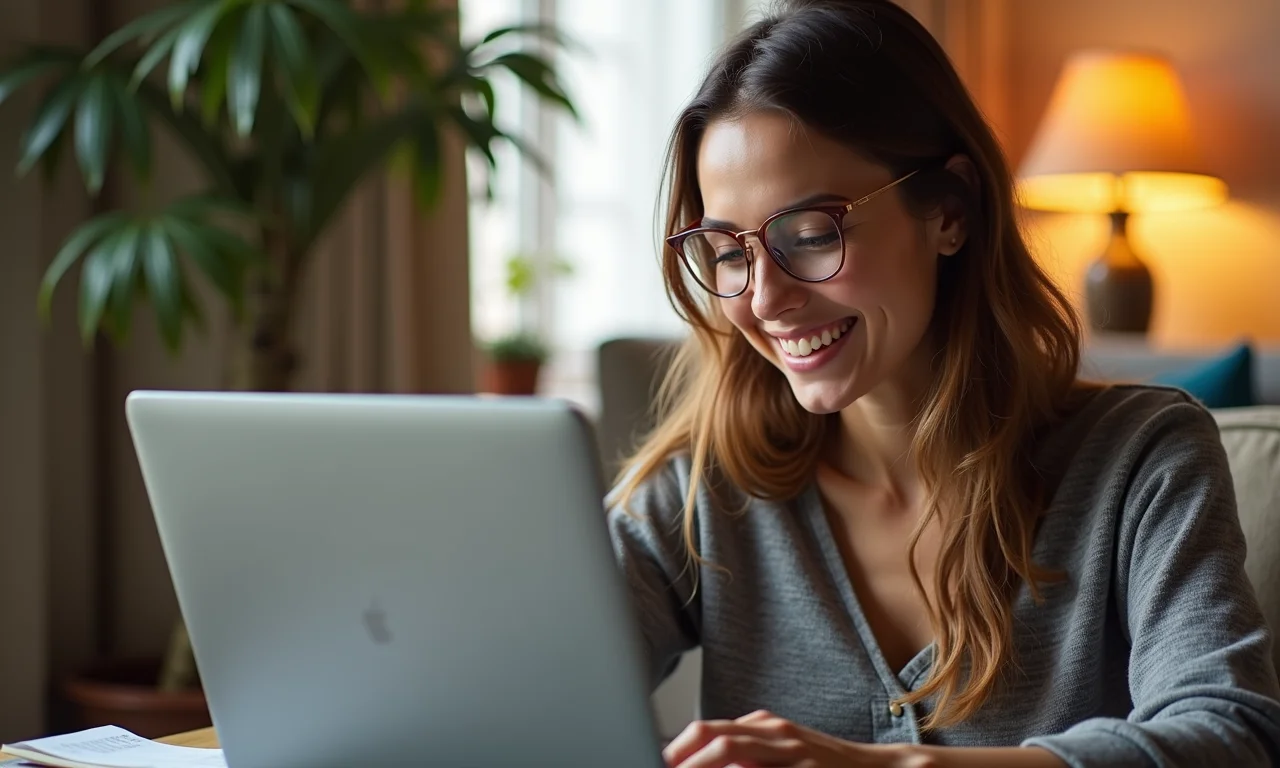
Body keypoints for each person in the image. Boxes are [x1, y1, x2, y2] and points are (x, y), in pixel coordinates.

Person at [604, 1, 1280, 766]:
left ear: (949, 212)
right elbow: (531, 685)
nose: (764, 299)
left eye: (812, 235)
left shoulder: (1141, 461)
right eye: (730, 252)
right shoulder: (702, 490)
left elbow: (1231, 737)